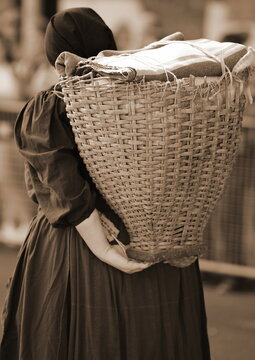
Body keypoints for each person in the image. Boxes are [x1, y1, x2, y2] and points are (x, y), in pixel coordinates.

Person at [0, 8, 211, 360]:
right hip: (158, 239)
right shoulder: (155, 98)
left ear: (55, 57)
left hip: (81, 248)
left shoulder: (52, 105)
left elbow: (66, 189)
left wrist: (104, 250)